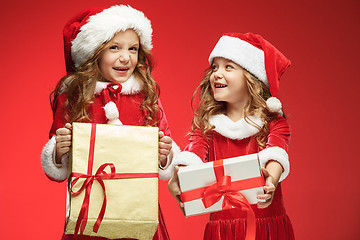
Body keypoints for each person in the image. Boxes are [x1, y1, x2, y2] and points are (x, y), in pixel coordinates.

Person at [41, 5, 179, 240]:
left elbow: (163, 158)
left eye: (133, 49)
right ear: (94, 52)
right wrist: (58, 151)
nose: (125, 57)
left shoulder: (145, 96)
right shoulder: (73, 96)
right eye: (114, 47)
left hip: (137, 208)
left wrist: (165, 154)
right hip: (90, 210)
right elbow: (58, 171)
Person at [167, 32, 295, 239]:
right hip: (222, 231)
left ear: (252, 77)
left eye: (228, 67)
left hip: (267, 230)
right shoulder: (207, 127)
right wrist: (179, 176)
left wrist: (270, 179)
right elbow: (193, 154)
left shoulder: (274, 123)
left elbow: (276, 154)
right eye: (214, 67)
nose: (216, 73)